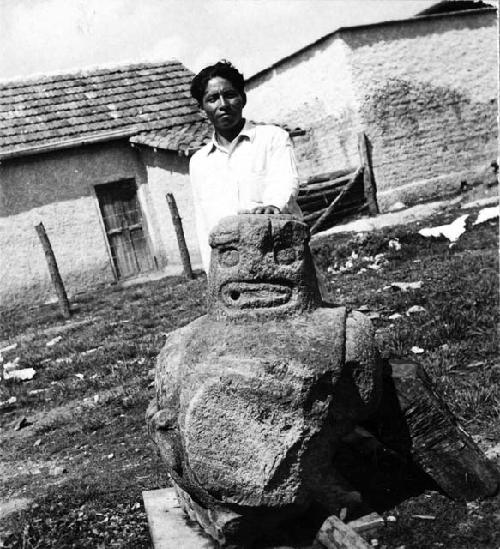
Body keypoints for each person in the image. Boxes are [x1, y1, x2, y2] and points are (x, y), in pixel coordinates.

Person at [189, 60, 303, 274]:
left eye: (230, 94)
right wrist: (211, 274)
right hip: (231, 269)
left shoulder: (272, 138)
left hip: (280, 258)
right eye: (212, 99)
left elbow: (286, 184)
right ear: (202, 108)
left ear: (243, 98)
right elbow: (203, 224)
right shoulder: (199, 162)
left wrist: (273, 207)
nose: (223, 104)